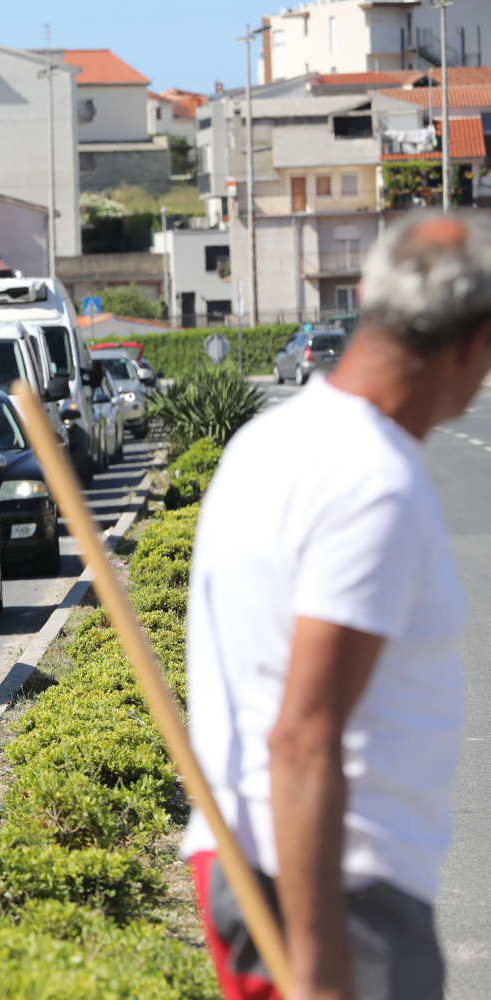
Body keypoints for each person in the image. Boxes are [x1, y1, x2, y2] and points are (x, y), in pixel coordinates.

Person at [183, 213, 491, 1000]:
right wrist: (321, 975)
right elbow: (305, 737)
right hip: (338, 898)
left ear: (366, 297)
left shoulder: (272, 442)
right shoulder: (370, 482)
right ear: (472, 344)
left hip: (271, 871)